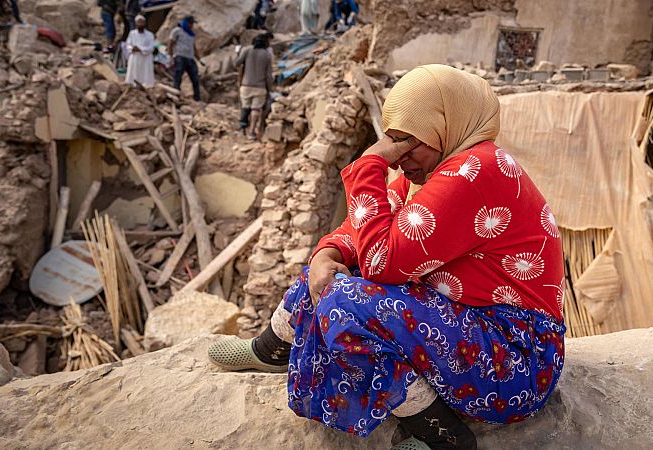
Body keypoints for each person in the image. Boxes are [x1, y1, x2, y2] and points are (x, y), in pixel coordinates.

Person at [208, 65, 566, 449]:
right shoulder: (440, 168)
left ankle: (442, 437)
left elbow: (382, 261)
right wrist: (326, 253)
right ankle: (272, 349)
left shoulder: (476, 170)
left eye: (406, 142)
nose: (396, 158)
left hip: (514, 357)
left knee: (346, 301)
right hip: (473, 328)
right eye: (392, 141)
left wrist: (367, 165)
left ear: (445, 127)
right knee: (332, 274)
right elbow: (361, 231)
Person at [235, 34, 273, 139]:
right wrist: (269, 88)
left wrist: (238, 54)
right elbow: (268, 76)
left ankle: (242, 129)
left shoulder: (246, 50)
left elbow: (237, 63)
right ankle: (252, 132)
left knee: (245, 107)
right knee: (255, 109)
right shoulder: (266, 55)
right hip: (260, 87)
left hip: (246, 85)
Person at [168, 15, 201, 101]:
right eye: (191, 24)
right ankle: (176, 95)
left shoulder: (191, 34)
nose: (192, 26)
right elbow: (171, 43)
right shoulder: (177, 31)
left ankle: (197, 98)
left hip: (190, 58)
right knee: (178, 77)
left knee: (195, 79)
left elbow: (194, 47)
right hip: (180, 57)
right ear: (187, 23)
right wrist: (170, 56)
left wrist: (199, 59)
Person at [124, 15, 154, 87]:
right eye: (138, 23)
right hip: (135, 56)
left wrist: (140, 49)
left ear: (144, 23)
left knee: (145, 75)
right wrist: (132, 48)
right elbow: (128, 44)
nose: (140, 24)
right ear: (136, 23)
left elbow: (151, 47)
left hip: (145, 57)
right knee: (133, 73)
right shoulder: (132, 34)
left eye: (142, 23)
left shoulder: (150, 35)